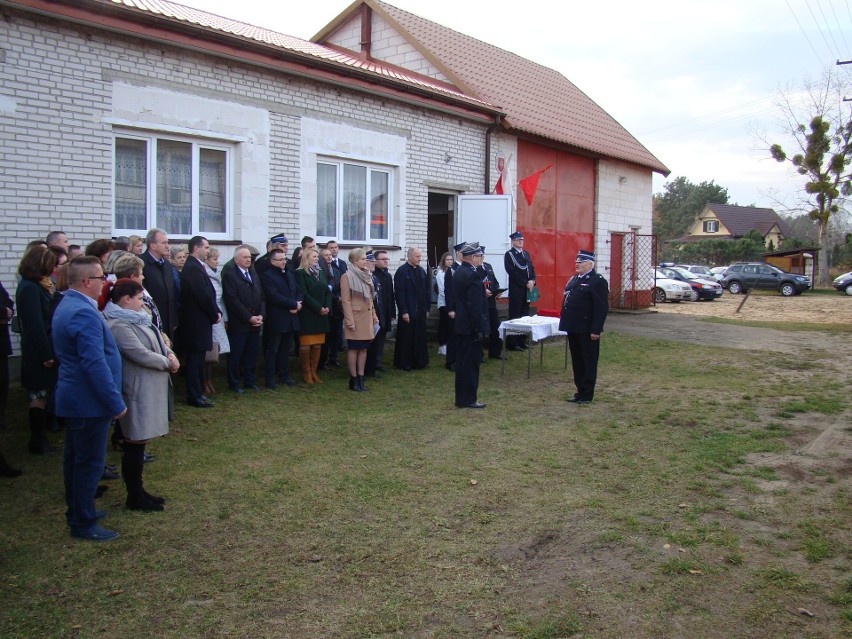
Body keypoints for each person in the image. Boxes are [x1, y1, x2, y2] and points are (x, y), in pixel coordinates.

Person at [52, 256, 126, 542]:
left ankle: (80, 511)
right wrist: (114, 402)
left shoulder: (70, 304)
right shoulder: (82, 312)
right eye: (100, 278)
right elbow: (93, 363)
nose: (105, 283)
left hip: (78, 398)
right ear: (86, 281)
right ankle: (83, 521)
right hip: (88, 401)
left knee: (76, 459)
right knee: (88, 463)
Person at [102, 278, 178, 511]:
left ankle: (139, 490)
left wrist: (170, 353)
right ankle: (134, 495)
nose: (142, 302)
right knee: (134, 442)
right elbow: (138, 353)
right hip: (135, 389)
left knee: (140, 441)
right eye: (138, 298)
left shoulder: (139, 318)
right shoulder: (118, 324)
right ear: (126, 299)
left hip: (149, 386)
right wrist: (167, 362)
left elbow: (156, 339)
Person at [16, 244, 59, 454]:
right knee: (38, 396)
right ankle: (37, 440)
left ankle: (41, 437)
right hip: (38, 352)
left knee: (42, 394)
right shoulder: (29, 289)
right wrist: (46, 355)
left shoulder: (36, 286)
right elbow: (35, 325)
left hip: (42, 349)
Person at [559, 250, 609, 405]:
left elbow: (601, 308)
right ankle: (579, 391)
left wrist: (596, 329)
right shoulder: (574, 280)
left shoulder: (597, 281)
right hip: (573, 327)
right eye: (576, 262)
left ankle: (587, 394)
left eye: (580, 262)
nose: (577, 264)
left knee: (588, 361)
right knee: (577, 361)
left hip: (587, 329)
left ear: (590, 264)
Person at [179, 236, 221, 408]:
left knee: (198, 359)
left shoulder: (196, 266)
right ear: (196, 248)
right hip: (196, 321)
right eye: (206, 247)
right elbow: (202, 295)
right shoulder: (192, 268)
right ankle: (194, 395)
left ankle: (197, 393)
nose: (208, 250)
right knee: (194, 361)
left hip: (200, 320)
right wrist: (214, 313)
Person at [221, 245, 264, 393]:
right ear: (236, 259)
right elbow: (232, 301)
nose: (248, 260)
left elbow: (261, 296)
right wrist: (249, 317)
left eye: (249, 257)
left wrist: (260, 315)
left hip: (255, 322)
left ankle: (250, 381)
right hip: (239, 323)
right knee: (236, 355)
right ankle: (234, 383)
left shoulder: (253, 272)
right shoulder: (230, 275)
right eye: (245, 257)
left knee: (252, 354)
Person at [453, 243, 488, 408]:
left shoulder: (460, 272)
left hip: (461, 323)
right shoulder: (472, 275)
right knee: (471, 364)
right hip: (470, 326)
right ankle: (469, 398)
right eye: (478, 256)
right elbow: (475, 305)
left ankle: (461, 397)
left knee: (462, 363)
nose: (480, 259)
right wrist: (478, 328)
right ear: (473, 257)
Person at [260, 248, 302, 389]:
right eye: (281, 260)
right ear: (272, 261)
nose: (284, 262)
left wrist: (298, 303)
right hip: (277, 318)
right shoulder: (267, 276)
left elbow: (298, 290)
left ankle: (284, 376)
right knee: (273, 350)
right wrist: (292, 303)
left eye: (285, 259)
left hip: (291, 316)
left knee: (286, 348)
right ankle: (270, 379)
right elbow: (273, 296)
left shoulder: (289, 273)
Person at [340, 248, 379, 391]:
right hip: (355, 318)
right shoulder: (347, 276)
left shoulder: (366, 275)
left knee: (363, 349)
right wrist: (349, 321)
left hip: (366, 318)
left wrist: (374, 315)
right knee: (354, 349)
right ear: (355, 261)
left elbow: (369, 299)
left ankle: (361, 378)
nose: (366, 261)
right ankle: (354, 379)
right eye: (363, 259)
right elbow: (345, 301)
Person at [293, 248, 331, 385]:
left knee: (317, 345)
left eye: (317, 256)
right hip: (308, 314)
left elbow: (327, 290)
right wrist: (318, 308)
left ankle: (314, 371)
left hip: (322, 313)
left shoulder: (320, 272)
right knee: (306, 345)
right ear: (306, 258)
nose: (317, 258)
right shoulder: (300, 273)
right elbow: (303, 293)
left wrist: (327, 307)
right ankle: (306, 372)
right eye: (314, 256)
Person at [393, 246, 430, 371]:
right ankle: (405, 362)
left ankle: (419, 361)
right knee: (407, 337)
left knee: (420, 336)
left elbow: (426, 291)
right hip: (408, 311)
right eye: (417, 256)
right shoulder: (402, 272)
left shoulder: (421, 271)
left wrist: (427, 308)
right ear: (409, 257)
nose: (420, 259)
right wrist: (404, 311)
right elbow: (400, 293)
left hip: (420, 310)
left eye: (420, 256)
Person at [141, 229, 179, 341]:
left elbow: (172, 293)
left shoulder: (167, 265)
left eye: (167, 242)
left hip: (168, 322)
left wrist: (174, 319)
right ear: (152, 245)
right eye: (164, 243)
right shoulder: (141, 263)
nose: (168, 246)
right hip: (151, 322)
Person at [202, 247, 230, 396]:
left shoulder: (216, 274)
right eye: (214, 259)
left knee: (214, 351)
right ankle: (204, 382)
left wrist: (224, 317)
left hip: (218, 315)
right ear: (206, 260)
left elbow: (221, 299)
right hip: (209, 316)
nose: (217, 262)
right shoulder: (204, 274)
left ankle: (209, 380)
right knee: (207, 350)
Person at [504, 231, 536, 351]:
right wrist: (525, 283)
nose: (520, 242)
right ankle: (513, 342)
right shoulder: (509, 255)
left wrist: (533, 280)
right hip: (517, 289)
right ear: (513, 242)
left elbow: (531, 268)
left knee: (525, 315)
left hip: (528, 289)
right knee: (515, 315)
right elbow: (512, 272)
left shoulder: (525, 253)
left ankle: (522, 340)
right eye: (518, 240)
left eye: (522, 240)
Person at [365, 249, 394, 378]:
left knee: (382, 338)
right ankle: (371, 364)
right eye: (383, 259)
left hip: (386, 312)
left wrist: (392, 312)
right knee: (374, 340)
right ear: (376, 261)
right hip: (375, 313)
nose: (386, 261)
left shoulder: (387, 276)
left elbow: (390, 296)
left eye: (387, 259)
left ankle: (377, 362)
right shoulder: (373, 275)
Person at [319, 247, 343, 369]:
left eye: (330, 255)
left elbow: (340, 287)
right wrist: (334, 298)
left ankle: (334, 357)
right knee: (326, 336)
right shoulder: (320, 271)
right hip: (327, 306)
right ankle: (323, 360)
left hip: (337, 308)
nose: (329, 257)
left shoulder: (336, 271)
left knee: (336, 334)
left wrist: (339, 297)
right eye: (325, 255)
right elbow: (324, 290)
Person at [479, 249, 504, 359]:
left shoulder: (488, 266)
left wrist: (497, 290)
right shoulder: (474, 269)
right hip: (481, 303)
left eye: (482, 255)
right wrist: (483, 291)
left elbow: (494, 281)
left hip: (491, 302)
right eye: (479, 255)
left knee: (495, 326)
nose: (481, 258)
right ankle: (479, 354)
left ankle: (495, 352)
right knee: (481, 329)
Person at [435, 251, 453, 356]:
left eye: (451, 260)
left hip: (450, 303)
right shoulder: (441, 272)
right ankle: (442, 345)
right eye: (448, 260)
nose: (450, 262)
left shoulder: (452, 270)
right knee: (444, 324)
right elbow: (442, 289)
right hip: (444, 303)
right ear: (444, 261)